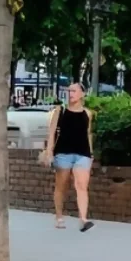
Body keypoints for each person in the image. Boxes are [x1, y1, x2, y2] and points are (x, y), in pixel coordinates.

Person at [44, 83, 95, 232]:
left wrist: (91, 154)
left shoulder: (87, 113)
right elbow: (52, 132)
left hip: (82, 153)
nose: (70, 93)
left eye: (74, 91)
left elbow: (88, 133)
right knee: (62, 185)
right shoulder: (60, 111)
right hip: (63, 152)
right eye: (69, 91)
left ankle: (83, 219)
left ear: (82, 94)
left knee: (81, 186)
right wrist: (49, 152)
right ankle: (59, 216)